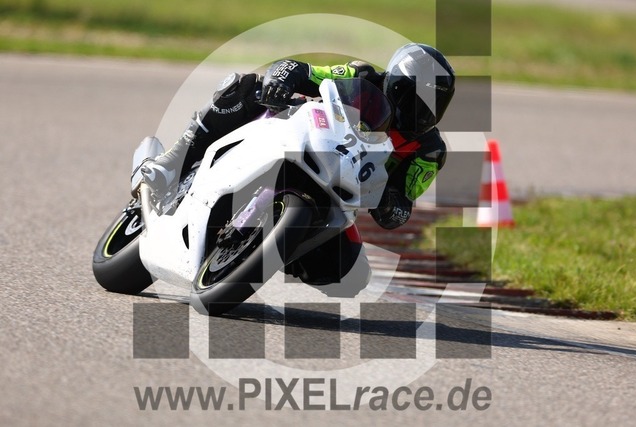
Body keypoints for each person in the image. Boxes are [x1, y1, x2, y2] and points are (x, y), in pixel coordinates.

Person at [138, 43, 455, 287]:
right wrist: (284, 78)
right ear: (397, 84)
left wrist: (392, 206)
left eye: (435, 103)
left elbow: (404, 202)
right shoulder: (361, 76)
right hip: (300, 138)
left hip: (338, 191)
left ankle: (267, 247)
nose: (423, 111)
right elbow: (303, 71)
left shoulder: (429, 151)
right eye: (416, 97)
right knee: (245, 88)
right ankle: (173, 162)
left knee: (349, 273)